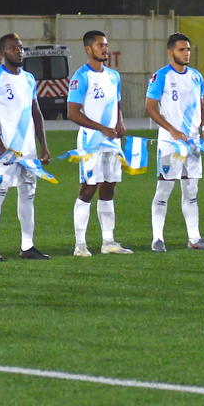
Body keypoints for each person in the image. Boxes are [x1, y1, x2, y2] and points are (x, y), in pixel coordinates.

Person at [145, 32, 204, 252]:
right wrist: (172, 130)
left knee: (191, 190)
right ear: (170, 52)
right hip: (170, 142)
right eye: (181, 50)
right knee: (164, 189)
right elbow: (150, 107)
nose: (186, 53)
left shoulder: (196, 76)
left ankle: (194, 238)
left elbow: (200, 104)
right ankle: (157, 238)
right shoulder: (161, 77)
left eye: (188, 49)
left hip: (193, 142)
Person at [0, 33, 52, 261]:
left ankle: (28, 246)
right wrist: (0, 148)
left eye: (21, 47)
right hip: (7, 151)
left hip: (28, 151)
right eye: (13, 48)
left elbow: (36, 112)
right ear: (3, 53)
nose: (19, 51)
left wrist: (44, 146)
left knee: (28, 194)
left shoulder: (29, 78)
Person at [66, 30, 132, 256]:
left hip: (112, 143)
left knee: (109, 188)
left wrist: (120, 122)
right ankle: (80, 244)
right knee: (88, 189)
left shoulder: (114, 76)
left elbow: (117, 103)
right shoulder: (81, 77)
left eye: (106, 45)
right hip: (91, 143)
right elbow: (72, 113)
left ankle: (108, 242)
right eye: (100, 45)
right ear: (88, 49)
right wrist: (102, 128)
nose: (105, 49)